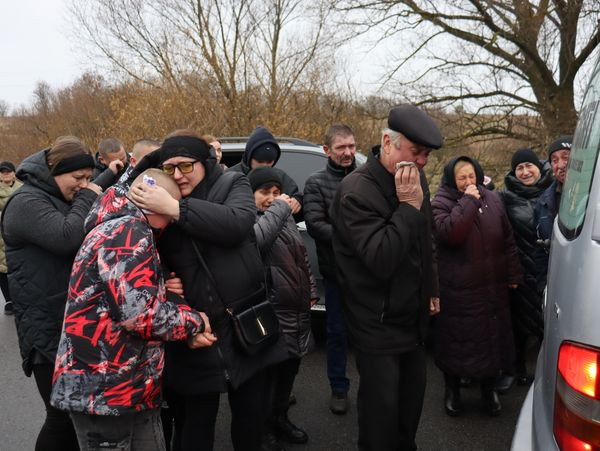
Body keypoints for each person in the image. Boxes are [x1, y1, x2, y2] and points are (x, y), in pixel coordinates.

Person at [127, 130, 288, 451]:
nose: (177, 175)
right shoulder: (163, 195)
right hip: (196, 329)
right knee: (196, 423)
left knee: (249, 417)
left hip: (245, 320)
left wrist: (176, 209)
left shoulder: (232, 184)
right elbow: (150, 258)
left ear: (204, 162)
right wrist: (175, 305)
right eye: (169, 168)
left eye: (185, 166)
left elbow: (237, 224)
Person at [50, 169, 217, 451]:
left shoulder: (119, 226)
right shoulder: (127, 230)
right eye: (170, 212)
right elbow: (138, 316)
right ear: (154, 204)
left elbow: (127, 297)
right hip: (103, 394)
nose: (173, 221)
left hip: (126, 387)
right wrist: (194, 321)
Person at [329, 105, 442, 450]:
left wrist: (432, 287)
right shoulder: (355, 191)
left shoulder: (415, 178)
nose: (422, 161)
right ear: (387, 142)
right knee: (381, 419)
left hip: (412, 319)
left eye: (426, 154)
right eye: (415, 151)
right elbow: (380, 258)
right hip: (375, 324)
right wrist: (407, 206)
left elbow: (426, 238)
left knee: (409, 413)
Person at [1, 136, 103, 451]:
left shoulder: (53, 196)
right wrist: (88, 197)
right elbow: (66, 237)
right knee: (60, 416)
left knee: (74, 416)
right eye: (78, 178)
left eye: (89, 178)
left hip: (66, 323)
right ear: (55, 171)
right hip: (45, 329)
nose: (85, 185)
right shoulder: (26, 202)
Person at [432, 156, 522, 417]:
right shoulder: (441, 203)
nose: (468, 181)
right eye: (462, 177)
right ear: (452, 179)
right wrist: (469, 201)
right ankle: (453, 391)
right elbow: (451, 234)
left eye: (472, 176)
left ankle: (488, 390)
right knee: (457, 341)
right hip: (458, 288)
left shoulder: (493, 199)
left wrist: (513, 273)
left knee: (491, 339)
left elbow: (507, 238)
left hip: (491, 285)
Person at [248, 167, 317, 451]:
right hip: (270, 312)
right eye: (265, 192)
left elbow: (302, 257)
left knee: (289, 373)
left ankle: (280, 419)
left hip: (296, 311)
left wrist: (311, 289)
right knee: (267, 378)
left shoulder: (285, 219)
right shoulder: (248, 222)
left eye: (277, 193)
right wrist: (279, 209)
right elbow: (257, 245)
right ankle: (262, 430)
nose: (272, 198)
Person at [303, 124, 357, 414]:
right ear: (327, 150)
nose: (348, 152)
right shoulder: (316, 182)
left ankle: (375, 385)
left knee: (370, 332)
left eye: (351, 146)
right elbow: (315, 224)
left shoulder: (366, 178)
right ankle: (339, 388)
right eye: (341, 148)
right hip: (336, 273)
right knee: (337, 333)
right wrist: (357, 239)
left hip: (369, 272)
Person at [498, 148, 553, 392]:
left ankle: (547, 373)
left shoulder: (554, 192)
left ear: (539, 167)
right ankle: (516, 369)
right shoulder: (505, 198)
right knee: (517, 324)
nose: (524, 171)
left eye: (529, 165)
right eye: (519, 168)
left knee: (547, 323)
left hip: (548, 269)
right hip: (518, 270)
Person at [228, 126, 302, 215]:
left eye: (269, 162)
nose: (265, 166)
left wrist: (298, 200)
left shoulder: (280, 176)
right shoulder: (230, 176)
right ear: (249, 157)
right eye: (259, 161)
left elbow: (295, 195)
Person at [534, 135, 573, 291]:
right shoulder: (542, 203)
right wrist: (544, 286)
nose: (561, 165)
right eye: (555, 161)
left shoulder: (594, 194)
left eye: (566, 157)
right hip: (558, 284)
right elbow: (540, 251)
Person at [0, 160, 22, 315]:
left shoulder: (23, 189)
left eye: (8, 171)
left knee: (19, 265)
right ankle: (8, 299)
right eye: (2, 171)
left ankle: (19, 298)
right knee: (2, 268)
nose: (6, 173)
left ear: (14, 172)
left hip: (18, 231)